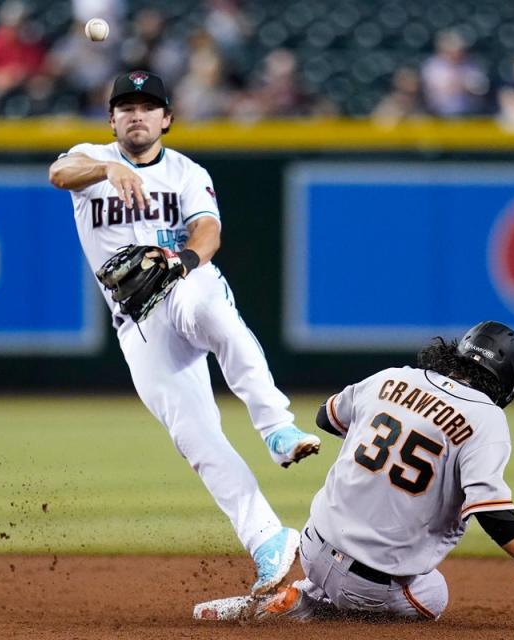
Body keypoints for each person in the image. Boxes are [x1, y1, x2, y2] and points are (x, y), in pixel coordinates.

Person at [48, 70, 321, 594]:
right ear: (111, 119)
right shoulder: (89, 159)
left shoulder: (186, 172)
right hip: (137, 326)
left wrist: (184, 259)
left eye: (148, 106)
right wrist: (107, 169)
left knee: (213, 311)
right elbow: (60, 173)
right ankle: (268, 538)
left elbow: (208, 229)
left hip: (183, 285)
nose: (136, 114)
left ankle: (276, 428)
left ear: (166, 119)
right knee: (197, 439)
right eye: (126, 107)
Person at [201, 321, 514, 620]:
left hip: (312, 549)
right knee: (434, 596)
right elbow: (490, 511)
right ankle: (309, 608)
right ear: (506, 382)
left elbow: (326, 417)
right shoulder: (487, 418)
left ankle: (307, 590)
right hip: (370, 587)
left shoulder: (392, 377)